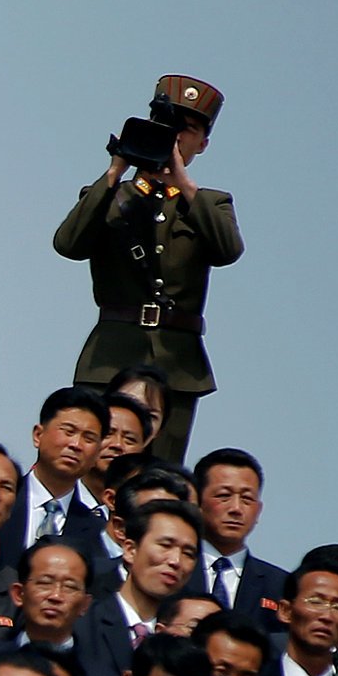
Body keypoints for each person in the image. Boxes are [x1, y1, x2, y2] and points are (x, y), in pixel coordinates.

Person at [55, 74, 240, 462]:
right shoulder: (110, 195)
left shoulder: (209, 203)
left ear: (202, 144)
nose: (174, 138)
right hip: (110, 354)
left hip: (178, 363)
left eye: (186, 131)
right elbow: (68, 244)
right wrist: (115, 170)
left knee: (158, 479)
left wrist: (183, 183)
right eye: (167, 127)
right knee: (86, 460)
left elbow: (228, 250)